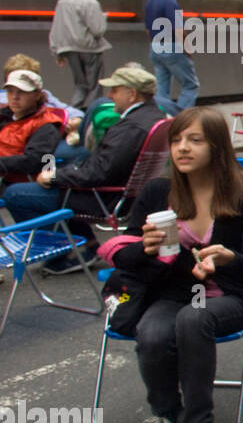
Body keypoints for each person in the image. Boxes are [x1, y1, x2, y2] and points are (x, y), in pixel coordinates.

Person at [108, 106, 243, 423]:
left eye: (195, 140)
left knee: (192, 319)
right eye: (177, 140)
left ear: (217, 146)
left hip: (226, 296)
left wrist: (228, 258)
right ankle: (164, 416)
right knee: (152, 331)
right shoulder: (156, 192)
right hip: (171, 291)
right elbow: (125, 257)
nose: (182, 148)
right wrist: (145, 249)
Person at [2, 66, 166, 270]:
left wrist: (55, 176)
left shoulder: (131, 126)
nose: (109, 95)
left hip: (103, 196)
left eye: (115, 90)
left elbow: (97, 171)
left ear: (131, 94)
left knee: (16, 194)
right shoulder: (152, 116)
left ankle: (64, 252)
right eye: (10, 92)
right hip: (115, 192)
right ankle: (82, 245)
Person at [49, 0, 111, 110]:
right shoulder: (90, 2)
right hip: (89, 48)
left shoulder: (62, 1)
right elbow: (98, 29)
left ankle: (73, 112)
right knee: (95, 85)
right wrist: (103, 18)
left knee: (80, 85)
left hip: (68, 49)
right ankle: (93, 115)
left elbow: (56, 27)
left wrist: (56, 51)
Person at [144, 0, 199, 114]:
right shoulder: (171, 2)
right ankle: (179, 117)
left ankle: (161, 116)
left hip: (155, 47)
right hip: (171, 46)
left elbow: (148, 29)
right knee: (191, 85)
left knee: (162, 87)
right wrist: (187, 48)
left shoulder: (151, 1)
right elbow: (178, 28)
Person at [0, 69, 65, 187]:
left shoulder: (47, 125)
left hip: (14, 181)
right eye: (10, 91)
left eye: (22, 92)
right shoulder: (4, 116)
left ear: (37, 95)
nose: (15, 97)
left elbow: (33, 161)